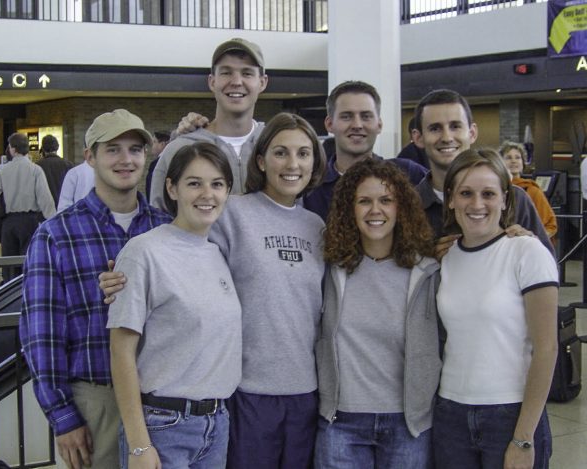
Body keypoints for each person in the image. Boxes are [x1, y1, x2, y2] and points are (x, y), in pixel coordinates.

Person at [19, 109, 171, 469]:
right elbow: (42, 335)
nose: (126, 159)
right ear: (90, 156)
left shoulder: (166, 228)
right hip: (97, 400)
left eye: (135, 149)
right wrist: (63, 416)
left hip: (165, 402)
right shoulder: (56, 235)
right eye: (113, 149)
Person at [108, 142, 241, 469]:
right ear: (172, 188)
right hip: (162, 427)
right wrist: (139, 445)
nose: (207, 194)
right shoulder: (144, 253)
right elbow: (121, 351)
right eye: (194, 183)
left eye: (217, 184)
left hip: (215, 425)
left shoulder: (218, 254)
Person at [210, 112, 326, 469]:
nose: (293, 164)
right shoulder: (231, 213)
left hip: (306, 392)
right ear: (261, 160)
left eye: (304, 154)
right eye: (281, 153)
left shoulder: (316, 226)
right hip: (247, 391)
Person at [435, 148, 558, 468]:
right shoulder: (445, 258)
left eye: (488, 193)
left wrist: (524, 436)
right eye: (466, 193)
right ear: (450, 199)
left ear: (505, 199)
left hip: (511, 413)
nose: (477, 204)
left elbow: (547, 349)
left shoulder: (527, 251)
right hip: (451, 415)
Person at [315, 158, 440, 468]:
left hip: (408, 424)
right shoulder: (329, 268)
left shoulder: (427, 271)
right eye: (364, 201)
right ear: (349, 208)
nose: (375, 210)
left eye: (386, 200)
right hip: (340, 421)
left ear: (402, 207)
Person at [411, 88, 554, 257]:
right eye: (435, 128)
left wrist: (530, 249)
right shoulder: (408, 205)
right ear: (418, 137)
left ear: (472, 133)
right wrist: (426, 263)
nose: (447, 137)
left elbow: (549, 271)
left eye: (455, 126)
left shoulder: (514, 198)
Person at [150, 37, 268, 211]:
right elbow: (159, 217)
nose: (236, 82)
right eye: (226, 72)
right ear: (212, 82)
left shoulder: (277, 146)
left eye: (247, 73)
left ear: (262, 82)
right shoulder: (180, 149)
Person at [303, 81, 427, 221]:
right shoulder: (310, 185)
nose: (357, 125)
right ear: (329, 124)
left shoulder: (407, 174)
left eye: (366, 116)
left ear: (379, 124)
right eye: (346, 116)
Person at [0, 132, 56, 282]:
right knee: (29, 261)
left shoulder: (3, 170)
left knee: (9, 264)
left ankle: (8, 294)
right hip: (30, 221)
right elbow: (45, 200)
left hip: (9, 222)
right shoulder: (35, 170)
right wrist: (53, 222)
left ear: (13, 149)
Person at [499, 140, 557, 239]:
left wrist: (533, 238)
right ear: (499, 162)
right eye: (508, 157)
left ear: (523, 163)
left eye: (518, 157)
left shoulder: (532, 190)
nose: (513, 161)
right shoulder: (494, 189)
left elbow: (550, 226)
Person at [37, 134, 74, 207]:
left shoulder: (37, 166)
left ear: (43, 149)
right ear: (57, 147)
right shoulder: (68, 165)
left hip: (43, 210)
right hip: (64, 208)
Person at [145, 130, 171, 202]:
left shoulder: (158, 164)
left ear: (162, 144)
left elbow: (152, 189)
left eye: (154, 142)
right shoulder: (171, 161)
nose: (152, 146)